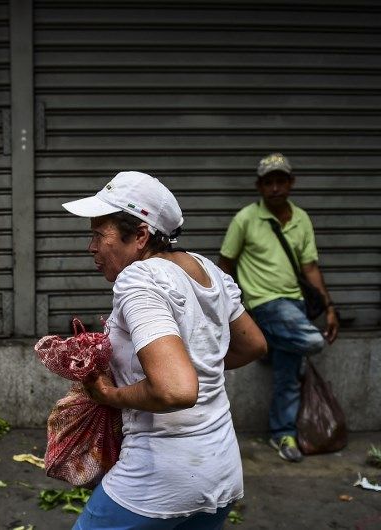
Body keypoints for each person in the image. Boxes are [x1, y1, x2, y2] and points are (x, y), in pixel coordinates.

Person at [62, 171, 267, 529]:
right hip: (220, 472)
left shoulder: (139, 277)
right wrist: (200, 363)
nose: (91, 247)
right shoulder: (207, 270)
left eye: (99, 235)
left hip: (157, 478)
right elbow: (253, 345)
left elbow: (175, 389)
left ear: (140, 235)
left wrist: (109, 394)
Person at [218, 153, 339, 463]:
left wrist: (329, 307)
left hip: (295, 306)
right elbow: (226, 263)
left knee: (288, 374)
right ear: (259, 186)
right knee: (313, 341)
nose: (275, 188)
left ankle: (282, 433)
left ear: (290, 183)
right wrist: (229, 310)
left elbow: (310, 267)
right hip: (263, 303)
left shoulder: (301, 219)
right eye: (268, 182)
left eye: (280, 181)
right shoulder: (246, 218)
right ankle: (266, 340)